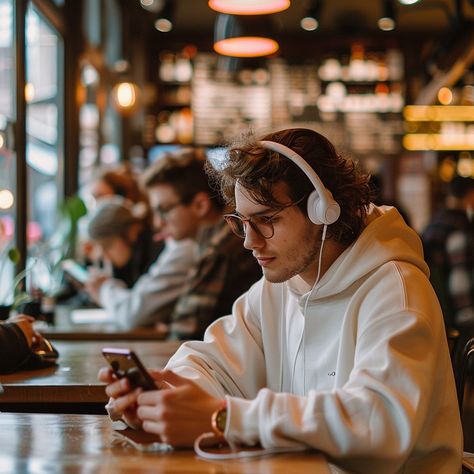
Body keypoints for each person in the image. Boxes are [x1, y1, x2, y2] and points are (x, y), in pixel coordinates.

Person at [99, 129, 462, 473]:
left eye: (267, 220)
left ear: (324, 210)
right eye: (241, 222)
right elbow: (211, 363)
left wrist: (225, 418)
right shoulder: (282, 285)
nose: (249, 241)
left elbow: (378, 422)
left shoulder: (395, 289)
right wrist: (162, 398)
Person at [88, 149, 260, 334]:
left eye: (164, 210)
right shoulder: (209, 243)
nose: (158, 223)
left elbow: (183, 332)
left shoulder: (222, 248)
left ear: (200, 205)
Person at [422, 176, 474, 332]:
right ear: (470, 194)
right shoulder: (459, 225)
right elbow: (460, 275)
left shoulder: (435, 220)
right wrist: (467, 315)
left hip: (431, 302)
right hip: (453, 309)